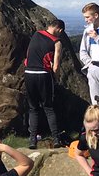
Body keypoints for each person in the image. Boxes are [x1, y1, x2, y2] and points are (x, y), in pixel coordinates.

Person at [23, 17, 70, 150]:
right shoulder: (57, 42)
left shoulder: (36, 34)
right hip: (43, 75)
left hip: (29, 73)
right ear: (59, 29)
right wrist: (56, 78)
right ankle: (56, 138)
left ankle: (32, 140)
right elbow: (56, 66)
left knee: (33, 108)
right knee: (48, 107)